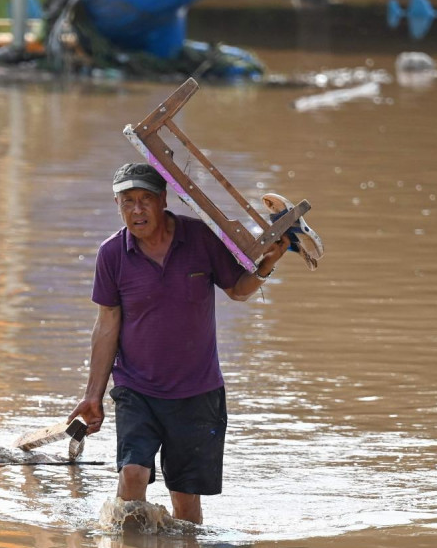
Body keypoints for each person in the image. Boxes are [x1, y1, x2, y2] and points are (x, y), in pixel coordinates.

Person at [68, 163, 288, 525]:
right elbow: (106, 324)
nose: (137, 210)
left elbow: (237, 290)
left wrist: (267, 264)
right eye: (127, 202)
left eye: (145, 200)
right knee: (133, 474)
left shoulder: (200, 238)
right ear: (118, 206)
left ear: (163, 200)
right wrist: (93, 394)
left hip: (197, 391)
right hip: (137, 388)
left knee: (186, 507)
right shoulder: (112, 255)